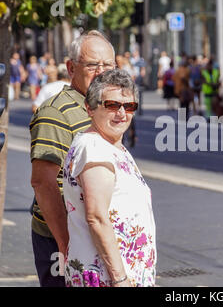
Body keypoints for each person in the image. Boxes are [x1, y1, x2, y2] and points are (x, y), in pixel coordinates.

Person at [30, 30, 116, 287]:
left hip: (95, 235)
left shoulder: (101, 107)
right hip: (66, 238)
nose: (102, 71)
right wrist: (66, 242)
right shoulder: (56, 112)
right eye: (92, 65)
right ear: (71, 68)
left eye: (108, 65)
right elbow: (43, 183)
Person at [63, 69, 156, 287]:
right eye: (112, 105)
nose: (122, 113)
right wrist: (120, 279)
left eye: (129, 106)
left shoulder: (111, 146)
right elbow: (97, 217)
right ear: (90, 108)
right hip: (106, 278)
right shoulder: (94, 147)